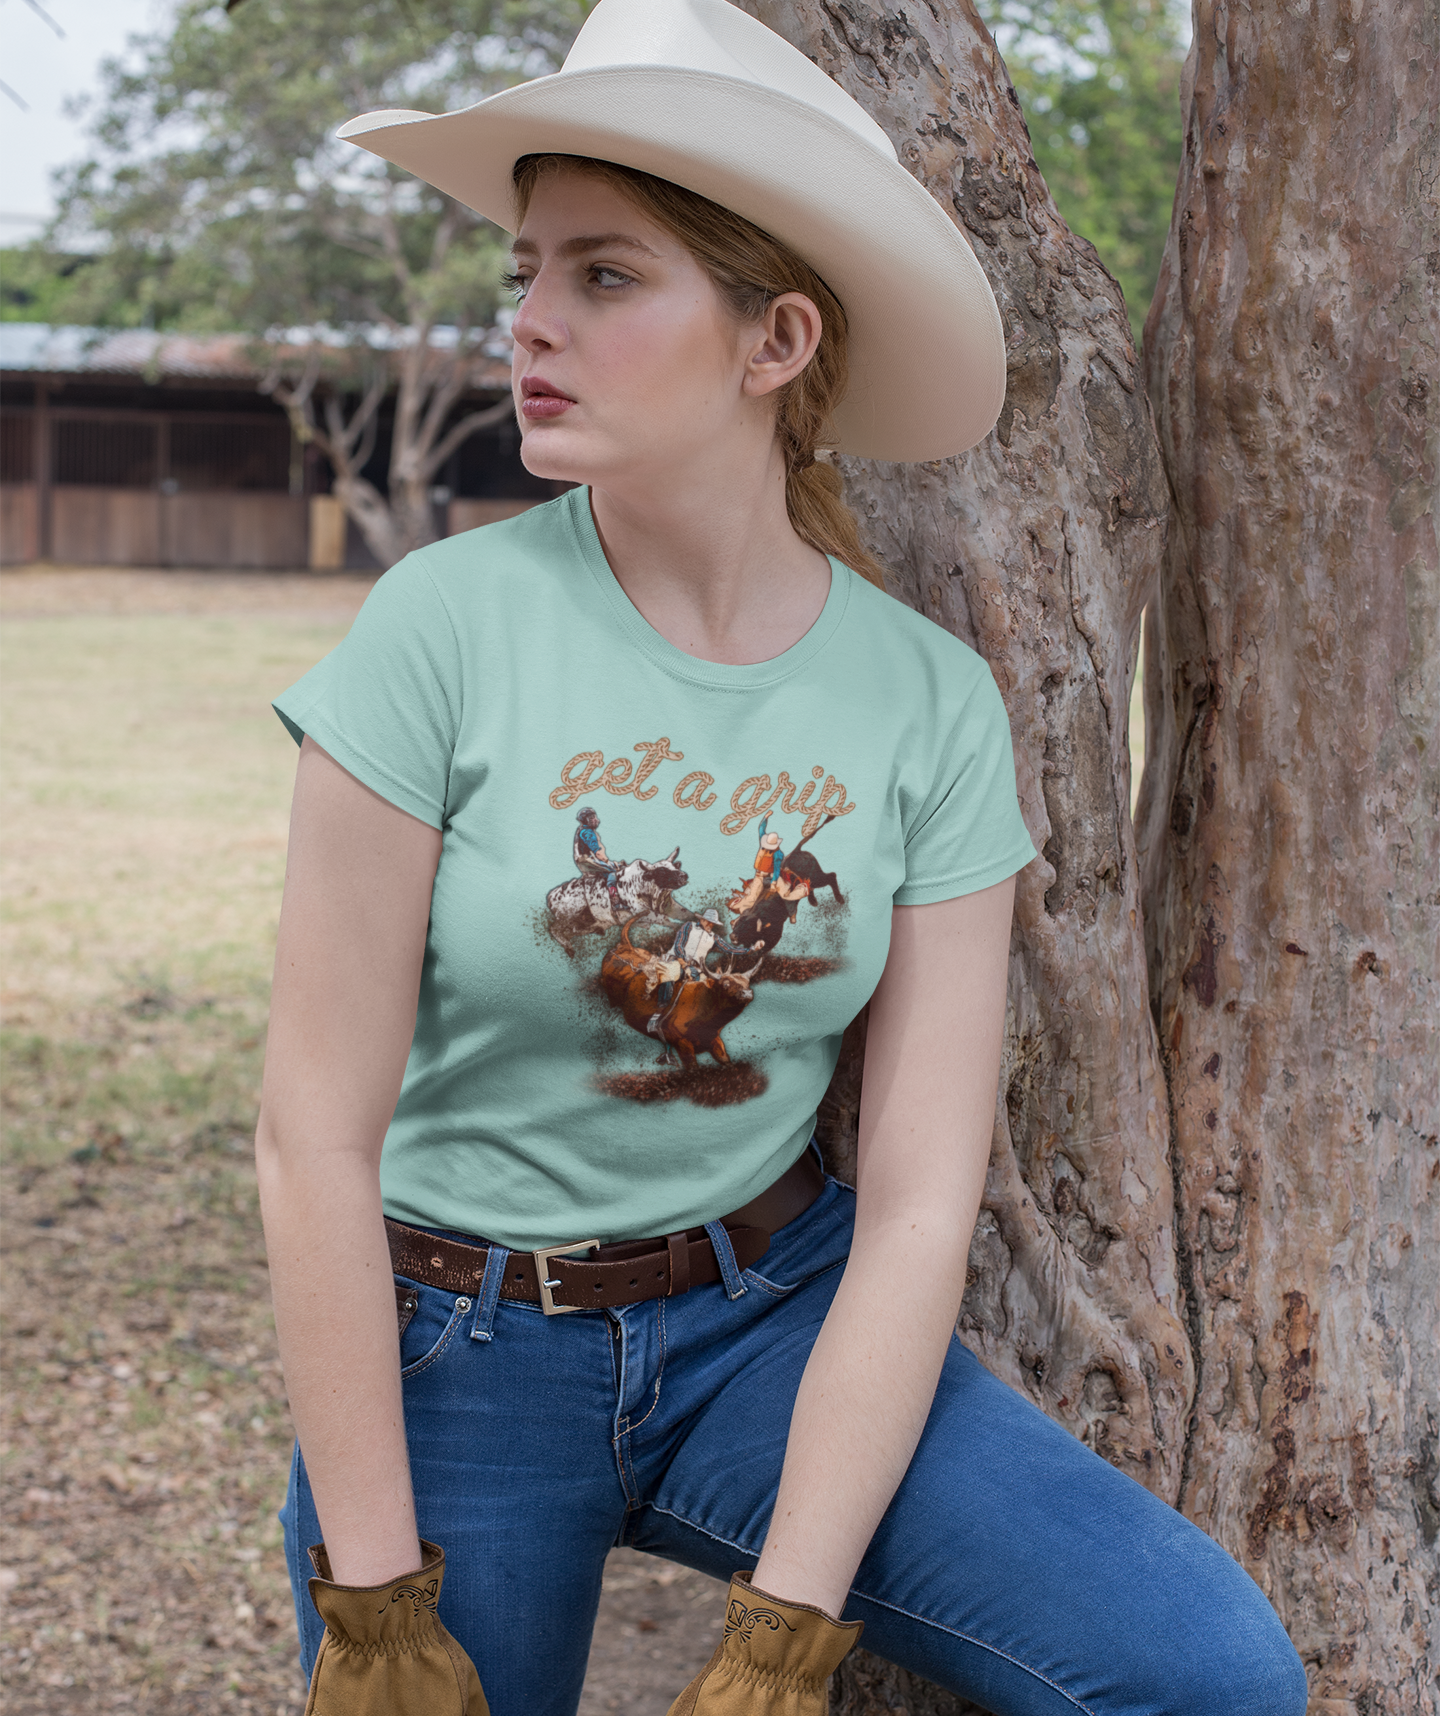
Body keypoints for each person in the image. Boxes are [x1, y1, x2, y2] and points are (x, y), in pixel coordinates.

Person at [254, 3, 1310, 1714]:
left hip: (775, 1316)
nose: (530, 322)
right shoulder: (436, 630)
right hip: (454, 1341)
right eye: (528, 272)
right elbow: (314, 1137)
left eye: (605, 276)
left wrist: (784, 1630)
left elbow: (913, 1193)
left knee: (1207, 1673)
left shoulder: (925, 703)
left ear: (774, 339)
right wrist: (375, 1601)